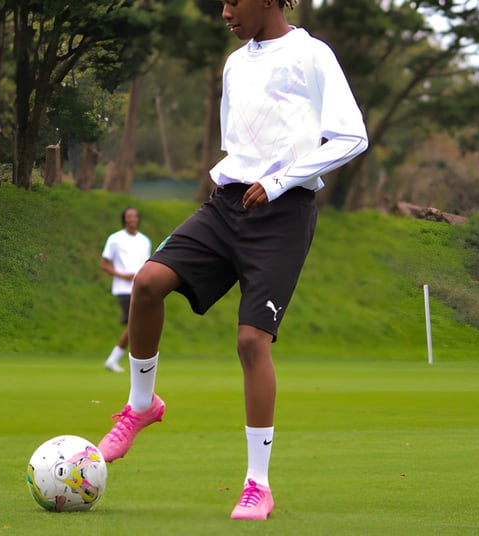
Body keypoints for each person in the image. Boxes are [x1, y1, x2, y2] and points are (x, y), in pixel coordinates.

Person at [96, 0, 368, 521]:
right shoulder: (234, 63)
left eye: (231, 1)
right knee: (149, 283)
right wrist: (243, 182)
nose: (224, 12)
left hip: (283, 213)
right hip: (228, 204)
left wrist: (280, 179)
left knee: (250, 341)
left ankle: (257, 485)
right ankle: (141, 406)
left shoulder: (313, 55)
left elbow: (352, 136)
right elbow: (239, 147)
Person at [100, 207, 152, 373]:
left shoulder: (145, 240)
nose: (132, 219)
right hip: (123, 289)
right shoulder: (115, 239)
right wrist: (122, 275)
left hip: (141, 288)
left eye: (135, 216)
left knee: (138, 325)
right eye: (129, 216)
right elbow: (104, 264)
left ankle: (121, 360)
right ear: (124, 219)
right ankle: (118, 360)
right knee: (136, 325)